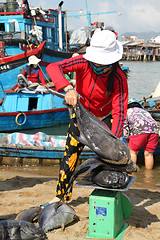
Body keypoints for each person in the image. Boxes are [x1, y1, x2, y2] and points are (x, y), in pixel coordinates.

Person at [46, 29, 128, 204]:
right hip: (81, 115)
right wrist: (68, 88)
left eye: (102, 65)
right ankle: (61, 196)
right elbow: (53, 67)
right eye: (95, 63)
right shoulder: (82, 62)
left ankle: (110, 194)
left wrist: (114, 139)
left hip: (105, 119)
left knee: (110, 157)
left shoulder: (119, 78)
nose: (97, 67)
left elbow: (120, 111)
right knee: (70, 157)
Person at [123, 97, 159, 170]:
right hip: (154, 129)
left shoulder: (127, 112)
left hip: (140, 129)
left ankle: (132, 172)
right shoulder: (145, 111)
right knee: (149, 154)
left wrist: (127, 139)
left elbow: (125, 128)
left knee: (133, 152)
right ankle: (148, 175)